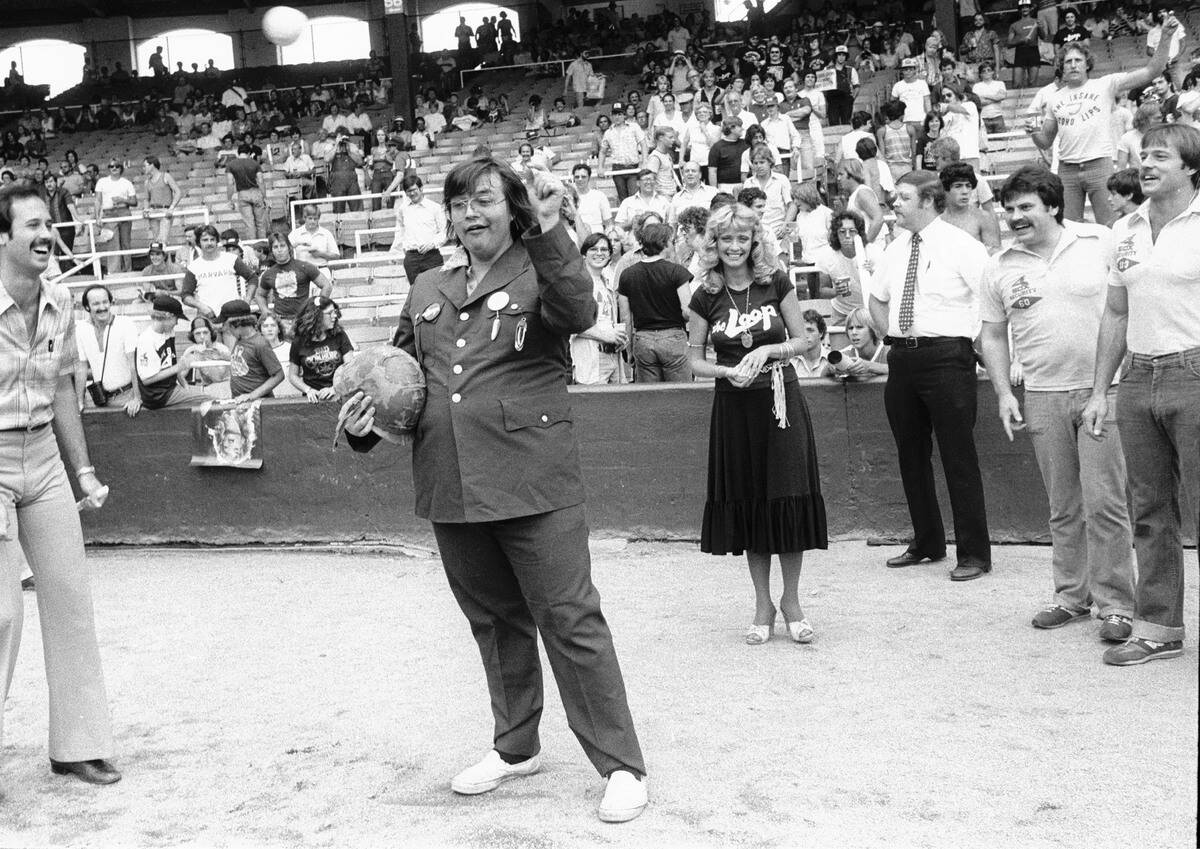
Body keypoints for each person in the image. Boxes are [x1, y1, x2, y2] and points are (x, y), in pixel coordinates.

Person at [338, 158, 648, 822]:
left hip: (534, 479)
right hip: (449, 483)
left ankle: (621, 764)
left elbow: (578, 307)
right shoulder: (427, 285)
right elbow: (400, 382)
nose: (469, 213)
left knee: (570, 619)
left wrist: (552, 224)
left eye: (484, 200)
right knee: (494, 620)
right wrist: (366, 425)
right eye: (458, 203)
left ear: (514, 208)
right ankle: (516, 745)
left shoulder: (542, 271)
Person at [978, 165, 1136, 640]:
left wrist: (1104, 390)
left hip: (1102, 393)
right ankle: (1070, 596)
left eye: (1026, 206)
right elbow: (992, 334)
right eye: (1008, 209)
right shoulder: (999, 264)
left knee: (1105, 502)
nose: (1015, 217)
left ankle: (1116, 605)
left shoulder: (1099, 241)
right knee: (1063, 505)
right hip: (1042, 395)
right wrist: (1005, 391)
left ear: (1052, 204)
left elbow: (1125, 307)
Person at [0, 184, 120, 786]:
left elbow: (66, 389)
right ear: (2, 236)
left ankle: (77, 744)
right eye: (33, 225)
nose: (47, 235)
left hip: (44, 454)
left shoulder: (62, 298)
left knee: (70, 599)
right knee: (0, 614)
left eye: (51, 224)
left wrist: (85, 470)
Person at [1081, 124, 1200, 666]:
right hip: (1137, 378)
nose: (1145, 164)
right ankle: (1159, 630)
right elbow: (1116, 312)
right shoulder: (1122, 230)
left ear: (1191, 166)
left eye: (1160, 156)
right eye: (1142, 155)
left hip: (1194, 373)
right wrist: (1100, 389)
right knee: (1149, 511)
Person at [685, 202, 828, 644]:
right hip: (734, 407)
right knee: (750, 504)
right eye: (725, 239)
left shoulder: (776, 282)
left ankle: (793, 601)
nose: (733, 246)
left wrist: (768, 351)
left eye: (741, 239)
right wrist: (727, 371)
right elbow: (693, 360)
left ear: (754, 242)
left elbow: (805, 340)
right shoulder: (704, 295)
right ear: (714, 243)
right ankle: (762, 603)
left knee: (787, 498)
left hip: (781, 402)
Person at [867, 171, 992, 582]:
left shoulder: (962, 245)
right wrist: (892, 337)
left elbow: (990, 297)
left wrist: (971, 344)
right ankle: (927, 541)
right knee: (910, 455)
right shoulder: (895, 248)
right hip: (903, 359)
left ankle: (974, 554)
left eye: (902, 197)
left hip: (948, 358)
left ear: (927, 200)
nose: (894, 203)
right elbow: (877, 296)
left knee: (959, 456)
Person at [1028, 21, 1182, 226]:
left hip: (1099, 164)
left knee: (1111, 224)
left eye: (1078, 60)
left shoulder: (1105, 85)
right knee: (1067, 227)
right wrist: (1033, 132)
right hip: (1067, 170)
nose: (1073, 64)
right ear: (1061, 67)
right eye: (1068, 61)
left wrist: (1165, 37)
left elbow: (1151, 71)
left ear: (1087, 63)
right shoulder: (1054, 98)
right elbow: (1045, 141)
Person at [616, 222, 691, 383]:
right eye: (672, 241)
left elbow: (625, 317)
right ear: (664, 243)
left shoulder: (627, 274)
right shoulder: (677, 272)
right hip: (673, 337)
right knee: (680, 395)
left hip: (643, 339)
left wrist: (629, 350)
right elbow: (687, 311)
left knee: (651, 398)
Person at [130, 295, 208, 416]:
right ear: (168, 315)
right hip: (157, 396)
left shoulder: (169, 331)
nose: (177, 322)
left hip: (170, 388)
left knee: (208, 397)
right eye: (176, 318)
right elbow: (146, 380)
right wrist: (179, 367)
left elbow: (171, 362)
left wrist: (184, 384)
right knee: (209, 400)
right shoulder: (146, 340)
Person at [571, 233, 625, 385]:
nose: (599, 253)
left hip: (613, 357)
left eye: (604, 249)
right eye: (594, 249)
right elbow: (572, 325)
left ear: (609, 255)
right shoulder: (577, 284)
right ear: (584, 254)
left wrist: (619, 339)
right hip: (591, 359)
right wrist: (607, 336)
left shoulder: (607, 284)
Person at [74, 284, 138, 411]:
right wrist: (79, 401)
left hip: (128, 397)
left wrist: (137, 397)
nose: (102, 307)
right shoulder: (81, 329)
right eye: (96, 304)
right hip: (101, 400)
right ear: (87, 307)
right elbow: (81, 368)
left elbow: (133, 364)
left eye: (105, 302)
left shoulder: (125, 323)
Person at [814, 210, 883, 323]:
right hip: (842, 312)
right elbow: (822, 290)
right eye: (842, 231)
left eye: (852, 231)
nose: (847, 236)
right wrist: (835, 291)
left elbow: (887, 286)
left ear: (859, 234)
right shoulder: (826, 256)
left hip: (871, 310)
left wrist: (873, 273)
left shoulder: (874, 252)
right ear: (836, 234)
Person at [180, 224, 257, 322]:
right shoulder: (194, 267)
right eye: (205, 240)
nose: (209, 243)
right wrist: (201, 306)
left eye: (212, 239)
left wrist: (247, 300)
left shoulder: (231, 259)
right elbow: (185, 295)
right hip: (209, 317)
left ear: (217, 241)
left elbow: (253, 278)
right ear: (198, 242)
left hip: (233, 316)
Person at [287, 295, 355, 402]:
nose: (334, 316)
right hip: (313, 400)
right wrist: (308, 390)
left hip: (339, 396)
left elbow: (351, 368)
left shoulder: (339, 335)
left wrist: (335, 388)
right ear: (316, 316)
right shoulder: (298, 341)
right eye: (329, 313)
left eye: (335, 312)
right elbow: (292, 375)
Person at [255, 231, 332, 326]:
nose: (279, 250)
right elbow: (259, 295)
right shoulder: (268, 274)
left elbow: (326, 285)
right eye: (275, 247)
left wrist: (317, 308)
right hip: (280, 322)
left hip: (303, 319)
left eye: (282, 246)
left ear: (289, 248)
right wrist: (266, 313)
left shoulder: (304, 267)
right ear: (272, 251)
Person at [219, 300, 283, 402]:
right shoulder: (240, 340)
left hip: (259, 404)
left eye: (228, 327)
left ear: (236, 324)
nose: (228, 331)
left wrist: (252, 395)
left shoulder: (260, 344)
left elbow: (279, 375)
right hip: (240, 402)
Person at [390, 175, 447, 286]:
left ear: (421, 189)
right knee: (416, 294)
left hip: (432, 256)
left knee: (435, 291)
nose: (411, 194)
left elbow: (444, 232)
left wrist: (433, 244)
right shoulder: (403, 209)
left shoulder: (435, 208)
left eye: (414, 190)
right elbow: (400, 231)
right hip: (412, 258)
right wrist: (397, 249)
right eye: (408, 191)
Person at [940, 162, 1001, 252]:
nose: (965, 191)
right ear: (946, 189)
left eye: (968, 186)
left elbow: (993, 254)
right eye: (958, 186)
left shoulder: (983, 218)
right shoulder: (937, 218)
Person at [93, 160, 137, 274]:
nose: (114, 168)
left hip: (123, 211)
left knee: (125, 242)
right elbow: (98, 200)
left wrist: (122, 199)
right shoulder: (102, 181)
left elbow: (134, 201)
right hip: (108, 213)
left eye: (117, 166)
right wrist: (98, 217)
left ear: (121, 168)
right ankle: (114, 272)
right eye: (111, 166)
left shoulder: (127, 182)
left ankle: (128, 271)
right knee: (112, 243)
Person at [598, 104, 646, 202]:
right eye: (615, 114)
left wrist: (645, 162)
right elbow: (602, 151)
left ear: (624, 115)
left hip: (633, 167)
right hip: (617, 168)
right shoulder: (608, 132)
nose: (617, 117)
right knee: (623, 199)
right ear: (611, 115)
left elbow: (644, 145)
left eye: (620, 114)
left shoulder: (634, 127)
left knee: (635, 196)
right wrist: (600, 167)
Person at [181, 315, 232, 394]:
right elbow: (180, 375)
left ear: (211, 334)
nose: (202, 337)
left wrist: (204, 354)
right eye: (197, 334)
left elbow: (217, 378)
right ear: (193, 336)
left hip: (225, 386)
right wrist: (186, 387)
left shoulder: (221, 349)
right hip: (206, 388)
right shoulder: (191, 350)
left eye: (205, 333)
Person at [835, 306, 889, 379]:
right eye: (850, 328)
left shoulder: (890, 352)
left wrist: (870, 366)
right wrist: (829, 369)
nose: (854, 332)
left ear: (872, 329)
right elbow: (821, 382)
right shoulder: (843, 355)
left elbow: (906, 371)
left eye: (859, 327)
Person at [837, 159, 884, 243]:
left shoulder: (862, 192)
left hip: (873, 248)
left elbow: (879, 218)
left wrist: (865, 244)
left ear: (851, 174)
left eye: (841, 174)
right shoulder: (855, 194)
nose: (838, 178)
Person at [614, 169, 669, 235]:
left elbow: (670, 223)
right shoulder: (627, 202)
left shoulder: (663, 201)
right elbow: (617, 227)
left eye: (651, 179)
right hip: (635, 241)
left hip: (659, 239)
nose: (648, 182)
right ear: (638, 183)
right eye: (645, 179)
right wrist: (631, 223)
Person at [143, 155, 181, 245]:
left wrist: (171, 208)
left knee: (163, 240)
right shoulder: (146, 182)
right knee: (157, 241)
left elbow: (178, 192)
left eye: (145, 165)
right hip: (153, 212)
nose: (143, 168)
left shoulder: (165, 176)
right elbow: (146, 199)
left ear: (152, 165)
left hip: (165, 211)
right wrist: (146, 209)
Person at [667, 161, 717, 227]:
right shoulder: (676, 198)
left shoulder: (713, 192)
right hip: (683, 236)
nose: (690, 173)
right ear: (683, 175)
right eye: (687, 171)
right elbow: (672, 225)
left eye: (693, 171)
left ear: (700, 175)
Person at [571, 164, 614, 235]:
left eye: (583, 177)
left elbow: (608, 223)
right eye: (577, 177)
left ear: (589, 178)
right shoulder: (570, 198)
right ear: (573, 179)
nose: (580, 179)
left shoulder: (599, 196)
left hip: (596, 236)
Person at [708, 117, 747, 194]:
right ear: (731, 128)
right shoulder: (717, 147)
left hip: (744, 186)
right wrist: (714, 192)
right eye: (740, 126)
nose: (742, 129)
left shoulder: (745, 144)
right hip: (724, 188)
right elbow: (712, 171)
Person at [1008, 0, 1041, 88]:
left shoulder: (1036, 21)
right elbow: (1009, 43)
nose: (1024, 9)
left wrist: (1040, 28)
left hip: (1033, 51)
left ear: (1030, 9)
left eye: (1026, 7)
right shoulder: (1014, 25)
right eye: (1022, 7)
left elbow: (1043, 36)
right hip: (1020, 52)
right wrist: (1021, 40)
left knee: (1032, 83)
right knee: (1016, 83)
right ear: (1019, 10)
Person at [892, 59, 932, 130]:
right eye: (905, 69)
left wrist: (929, 118)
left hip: (921, 120)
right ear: (902, 71)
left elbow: (927, 102)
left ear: (915, 70)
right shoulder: (897, 85)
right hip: (904, 121)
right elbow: (892, 103)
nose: (908, 71)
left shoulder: (922, 83)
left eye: (910, 69)